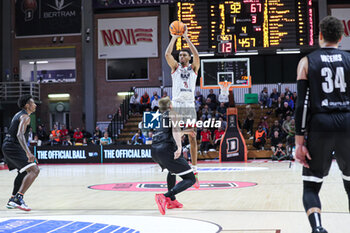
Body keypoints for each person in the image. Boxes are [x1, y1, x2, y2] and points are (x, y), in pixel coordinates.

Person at [294, 16, 350, 233]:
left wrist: (299, 141)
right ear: (342, 36)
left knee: (311, 185)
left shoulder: (306, 61)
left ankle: (317, 228)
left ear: (319, 35)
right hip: (347, 122)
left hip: (320, 124)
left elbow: (302, 104)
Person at [165, 25, 200, 188]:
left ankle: (194, 169)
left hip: (189, 105)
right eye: (180, 54)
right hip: (177, 105)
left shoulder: (193, 68)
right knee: (176, 137)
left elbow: (197, 55)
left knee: (192, 136)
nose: (181, 56)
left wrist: (186, 37)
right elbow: (167, 54)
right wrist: (174, 37)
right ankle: (173, 170)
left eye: (184, 54)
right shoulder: (175, 68)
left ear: (188, 57)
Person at [152, 97, 196, 215]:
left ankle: (172, 200)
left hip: (155, 151)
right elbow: (176, 131)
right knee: (191, 179)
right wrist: (179, 147)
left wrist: (187, 132)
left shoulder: (162, 118)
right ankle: (164, 197)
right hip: (166, 149)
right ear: (170, 105)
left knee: (172, 171)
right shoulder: (173, 113)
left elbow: (171, 132)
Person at [1, 95, 40, 211]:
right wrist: (28, 153)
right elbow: (19, 135)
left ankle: (12, 199)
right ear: (27, 105)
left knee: (23, 172)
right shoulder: (25, 117)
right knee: (34, 170)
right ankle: (18, 198)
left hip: (7, 146)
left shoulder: (18, 115)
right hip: (12, 146)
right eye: (33, 103)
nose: (35, 105)